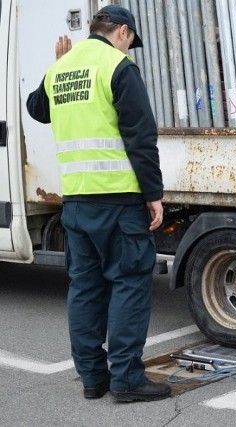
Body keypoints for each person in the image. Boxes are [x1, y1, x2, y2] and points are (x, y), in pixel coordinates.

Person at [26, 5, 169, 402]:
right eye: (130, 42)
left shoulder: (63, 68)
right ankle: (126, 379)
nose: (129, 49)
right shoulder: (117, 68)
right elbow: (141, 137)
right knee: (128, 283)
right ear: (122, 31)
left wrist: (56, 66)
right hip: (118, 201)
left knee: (86, 289)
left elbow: (36, 109)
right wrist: (153, 195)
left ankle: (93, 378)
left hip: (76, 203)